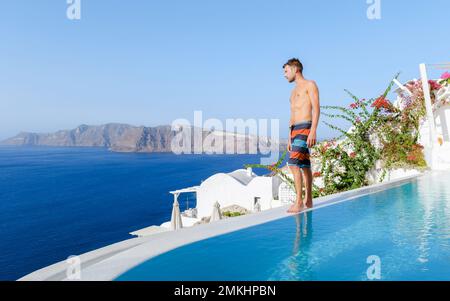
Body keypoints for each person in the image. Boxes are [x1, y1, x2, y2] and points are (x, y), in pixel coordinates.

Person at [283, 58, 320, 213]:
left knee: (292, 164)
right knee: (304, 166)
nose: (284, 75)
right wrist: (289, 137)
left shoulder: (310, 85)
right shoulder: (292, 93)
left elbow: (316, 108)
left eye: (286, 71)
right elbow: (292, 115)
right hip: (295, 130)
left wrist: (313, 130)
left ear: (295, 69)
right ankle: (309, 199)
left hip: (305, 127)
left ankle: (298, 201)